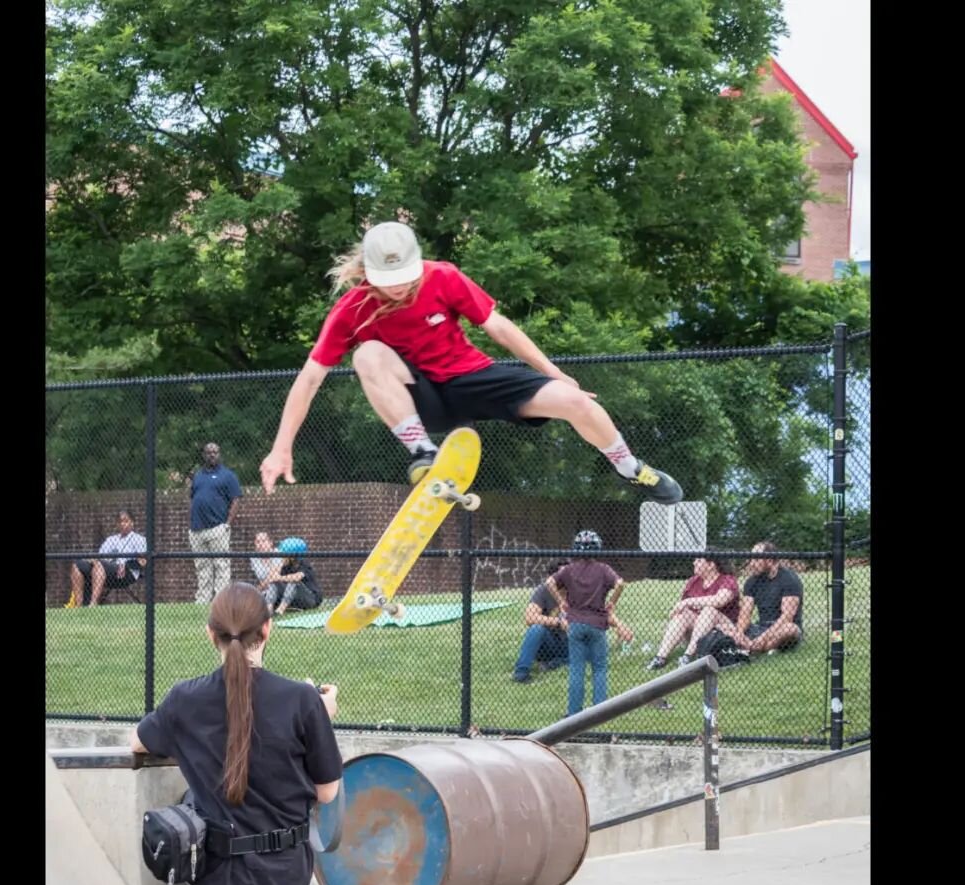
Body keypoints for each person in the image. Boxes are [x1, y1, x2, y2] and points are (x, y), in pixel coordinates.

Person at [259, 222, 683, 504]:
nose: (399, 290)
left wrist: (553, 372)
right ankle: (423, 453)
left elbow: (499, 327)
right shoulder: (352, 309)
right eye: (388, 284)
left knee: (579, 405)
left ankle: (631, 469)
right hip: (420, 396)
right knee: (367, 353)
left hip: (474, 378)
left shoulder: (442, 276)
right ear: (368, 273)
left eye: (406, 280)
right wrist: (281, 449)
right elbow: (309, 379)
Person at [128, 582, 343, 885]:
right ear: (267, 630)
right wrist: (320, 715)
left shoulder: (185, 699)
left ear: (210, 634)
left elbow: (138, 742)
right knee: (220, 805)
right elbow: (327, 793)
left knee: (194, 799)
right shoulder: (301, 700)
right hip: (286, 869)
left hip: (214, 868)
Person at [546, 531, 627, 716]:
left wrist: (561, 602)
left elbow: (549, 582)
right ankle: (600, 712)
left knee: (577, 669)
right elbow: (621, 584)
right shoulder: (604, 569)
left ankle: (574, 713)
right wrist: (612, 603)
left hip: (575, 624)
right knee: (599, 668)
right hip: (597, 624)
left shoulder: (568, 570)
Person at [691, 541, 804, 657]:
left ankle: (753, 648)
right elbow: (745, 613)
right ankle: (756, 647)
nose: (751, 563)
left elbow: (787, 617)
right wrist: (739, 634)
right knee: (723, 627)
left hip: (780, 628)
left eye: (756, 560)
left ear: (769, 561)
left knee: (790, 629)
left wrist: (762, 638)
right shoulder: (752, 581)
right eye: (751, 559)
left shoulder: (789, 579)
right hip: (759, 628)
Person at [646, 554, 740, 670]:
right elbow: (679, 611)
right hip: (698, 632)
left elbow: (719, 601)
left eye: (699, 560)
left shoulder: (727, 580)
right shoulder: (693, 581)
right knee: (684, 614)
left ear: (711, 565)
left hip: (723, 631)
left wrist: (688, 601)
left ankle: (688, 657)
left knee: (709, 610)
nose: (694, 562)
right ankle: (660, 657)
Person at [189, 442, 242, 605]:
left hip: (218, 528)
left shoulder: (228, 476)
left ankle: (221, 601)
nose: (212, 455)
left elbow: (236, 500)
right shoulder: (198, 476)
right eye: (208, 452)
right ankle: (202, 601)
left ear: (219, 454)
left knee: (221, 565)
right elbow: (192, 497)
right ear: (204, 455)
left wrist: (227, 524)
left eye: (215, 452)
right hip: (197, 530)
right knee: (202, 567)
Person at [70, 510, 147, 607]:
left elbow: (143, 561)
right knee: (77, 565)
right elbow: (100, 556)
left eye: (126, 521)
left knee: (99, 564)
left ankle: (93, 604)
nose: (122, 524)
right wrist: (93, 560)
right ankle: (79, 605)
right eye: (120, 522)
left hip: (127, 573)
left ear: (132, 523)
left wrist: (126, 564)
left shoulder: (139, 539)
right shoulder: (111, 540)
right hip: (105, 571)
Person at [262, 537, 324, 618]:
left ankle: (280, 610)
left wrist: (279, 578)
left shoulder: (303, 563)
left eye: (283, 554)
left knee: (293, 582)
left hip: (311, 599)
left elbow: (297, 577)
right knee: (274, 583)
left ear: (292, 556)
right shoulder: (285, 565)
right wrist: (278, 568)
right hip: (296, 599)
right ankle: (268, 609)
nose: (281, 556)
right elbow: (272, 578)